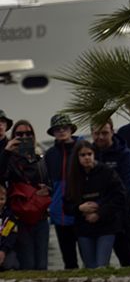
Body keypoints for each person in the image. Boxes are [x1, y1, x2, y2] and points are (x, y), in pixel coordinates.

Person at [64, 139, 126, 268]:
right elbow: (66, 205)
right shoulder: (73, 177)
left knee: (102, 265)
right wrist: (79, 208)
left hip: (106, 226)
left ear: (94, 154)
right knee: (89, 266)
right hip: (84, 228)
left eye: (89, 154)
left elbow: (119, 196)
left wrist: (99, 213)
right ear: (77, 157)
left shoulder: (107, 172)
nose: (87, 158)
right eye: (82, 155)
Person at [4, 119, 52, 270]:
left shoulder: (40, 159)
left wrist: (48, 189)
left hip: (41, 215)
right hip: (21, 217)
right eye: (19, 134)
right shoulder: (10, 159)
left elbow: (50, 182)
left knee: (42, 264)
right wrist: (7, 151)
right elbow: (1, 176)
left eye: (28, 133)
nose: (24, 137)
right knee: (28, 264)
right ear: (13, 136)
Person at [92, 119, 130, 266]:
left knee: (128, 259)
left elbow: (126, 187)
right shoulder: (88, 153)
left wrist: (105, 208)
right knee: (96, 264)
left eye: (104, 133)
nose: (100, 137)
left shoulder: (124, 154)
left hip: (120, 215)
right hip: (96, 213)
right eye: (97, 133)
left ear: (112, 132)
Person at [43, 113, 82, 269]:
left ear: (71, 129)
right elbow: (47, 182)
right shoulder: (50, 154)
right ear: (53, 132)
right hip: (59, 214)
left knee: (89, 258)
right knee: (69, 261)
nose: (61, 131)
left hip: (81, 212)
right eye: (57, 129)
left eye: (65, 128)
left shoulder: (82, 149)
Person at [0, 185, 19, 271]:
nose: (0, 202)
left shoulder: (10, 216)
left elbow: (12, 236)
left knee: (12, 264)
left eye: (2, 199)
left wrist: (3, 251)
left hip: (5, 250)